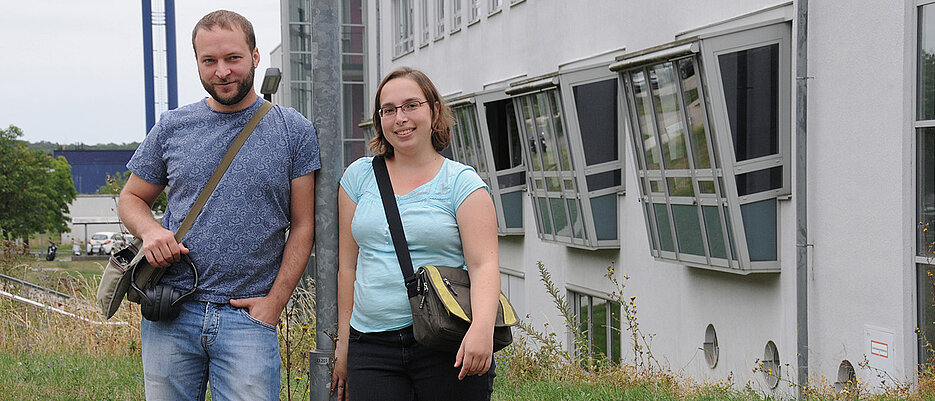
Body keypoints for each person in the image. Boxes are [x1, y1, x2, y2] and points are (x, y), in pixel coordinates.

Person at [118, 10, 319, 401]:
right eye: (209, 61)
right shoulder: (173, 125)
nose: (221, 71)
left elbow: (304, 225)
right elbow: (131, 198)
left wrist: (274, 304)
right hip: (172, 311)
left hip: (248, 317)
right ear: (197, 62)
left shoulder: (293, 130)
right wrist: (151, 230)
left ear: (256, 57)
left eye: (233, 58)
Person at [330, 67, 501, 401]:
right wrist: (344, 344)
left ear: (433, 110)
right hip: (372, 347)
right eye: (389, 110)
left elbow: (484, 265)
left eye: (411, 105)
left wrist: (482, 330)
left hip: (446, 341)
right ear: (380, 119)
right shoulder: (358, 178)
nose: (400, 118)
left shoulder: (462, 183)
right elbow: (348, 266)